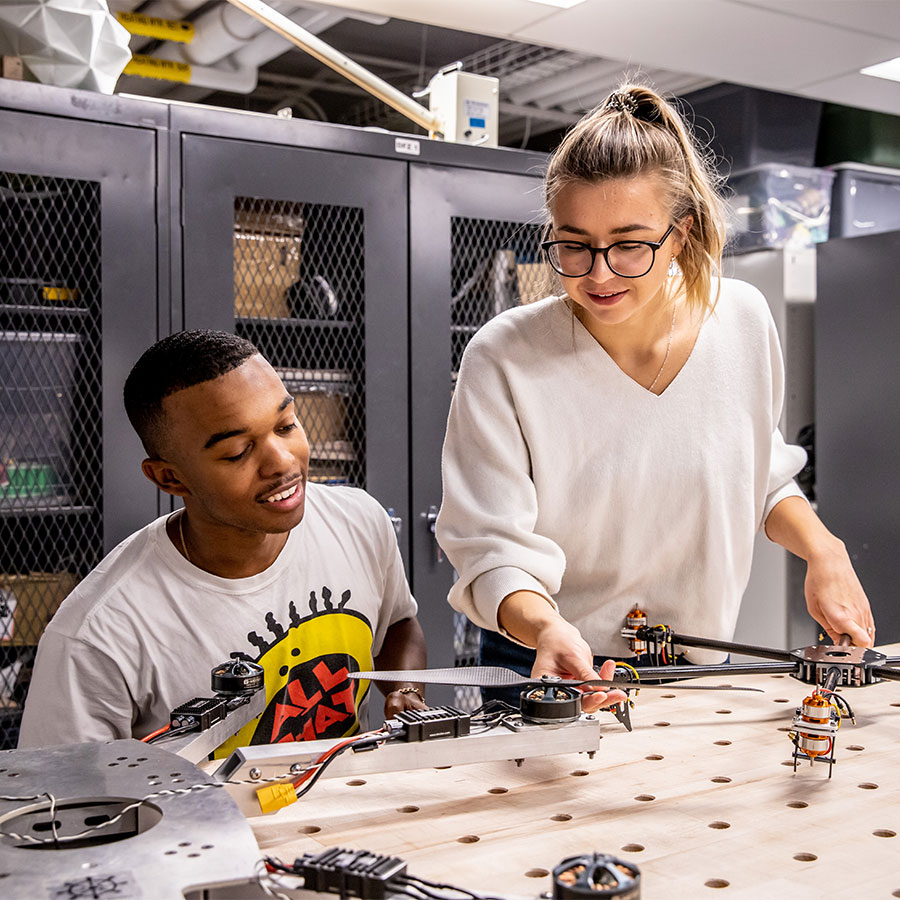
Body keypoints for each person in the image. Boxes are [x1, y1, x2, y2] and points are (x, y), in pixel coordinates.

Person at [435, 83, 874, 711]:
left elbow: (759, 476)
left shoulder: (742, 321)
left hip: (698, 663)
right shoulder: (504, 357)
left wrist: (824, 551)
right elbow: (490, 549)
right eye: (573, 243)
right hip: (552, 663)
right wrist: (549, 630)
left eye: (630, 244)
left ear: (681, 234)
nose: (598, 273)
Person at [19, 330, 427, 753]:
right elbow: (59, 801)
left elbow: (397, 621)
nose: (283, 462)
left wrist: (408, 691)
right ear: (169, 477)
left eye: (286, 425)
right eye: (237, 451)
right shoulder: (98, 635)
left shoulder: (358, 520)